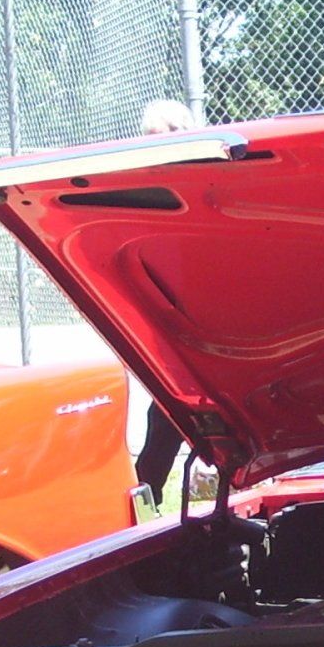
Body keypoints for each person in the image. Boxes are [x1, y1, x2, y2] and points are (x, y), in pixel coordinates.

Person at [132, 100, 196, 500]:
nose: (150, 149)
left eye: (158, 139)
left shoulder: (201, 181)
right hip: (170, 314)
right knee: (165, 414)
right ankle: (143, 498)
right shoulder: (142, 189)